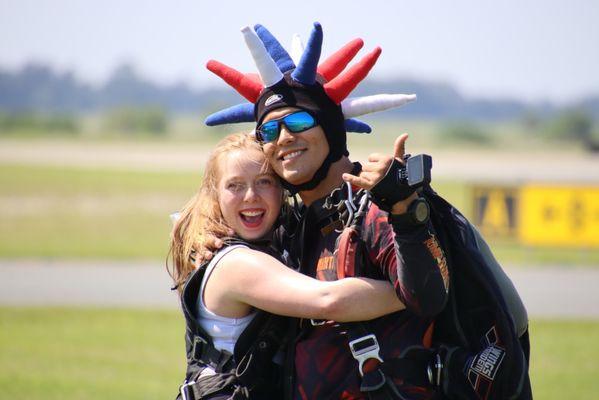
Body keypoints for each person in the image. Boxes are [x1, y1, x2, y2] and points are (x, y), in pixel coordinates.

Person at [204, 22, 531, 400]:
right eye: (269, 130)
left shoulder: (376, 210)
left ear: (330, 128)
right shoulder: (291, 225)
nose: (284, 138)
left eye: (297, 121)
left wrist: (406, 211)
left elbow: (428, 299)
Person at [168, 132, 405, 399]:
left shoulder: (280, 241)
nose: (250, 196)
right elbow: (329, 301)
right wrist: (418, 288)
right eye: (234, 185)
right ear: (215, 196)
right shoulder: (236, 263)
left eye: (264, 181)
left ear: (282, 190)